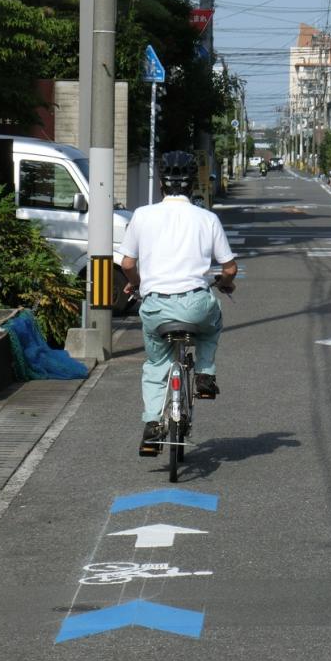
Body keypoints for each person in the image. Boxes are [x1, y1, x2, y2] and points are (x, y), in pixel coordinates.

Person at [118, 151, 238, 457]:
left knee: (157, 363)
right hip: (196, 304)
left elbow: (127, 263)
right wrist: (225, 284)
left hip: (156, 308)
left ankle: (151, 427)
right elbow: (229, 268)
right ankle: (205, 376)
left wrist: (138, 281)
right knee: (213, 323)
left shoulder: (142, 216)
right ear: (192, 185)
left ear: (161, 183)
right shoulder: (207, 218)